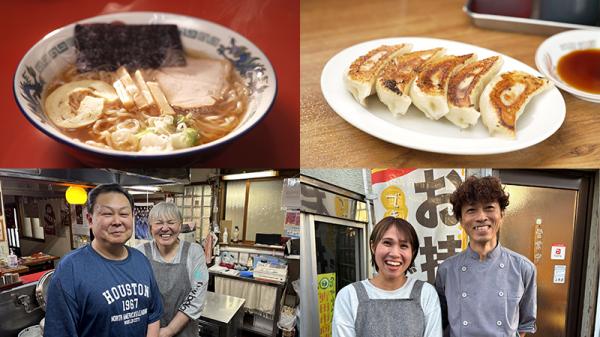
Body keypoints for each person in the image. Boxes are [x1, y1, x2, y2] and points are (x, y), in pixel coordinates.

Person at [44, 184, 163, 337]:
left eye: (124, 214)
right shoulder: (71, 268)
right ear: (90, 219)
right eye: (107, 214)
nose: (117, 221)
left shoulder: (141, 261)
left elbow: (153, 316)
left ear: (132, 217)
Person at [435, 176, 537, 337]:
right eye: (471, 210)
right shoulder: (446, 270)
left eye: (489, 208)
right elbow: (440, 321)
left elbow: (525, 324)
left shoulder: (523, 268)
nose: (481, 217)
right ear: (461, 220)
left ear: (501, 214)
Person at [332, 216, 443, 337]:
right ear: (373, 246)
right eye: (387, 243)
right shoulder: (349, 296)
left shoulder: (426, 293)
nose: (395, 253)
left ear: (413, 252)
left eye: (404, 246)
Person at [136, 202, 209, 337]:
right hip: (150, 332)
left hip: (185, 332)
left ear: (180, 226)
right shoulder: (140, 253)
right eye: (158, 223)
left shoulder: (194, 252)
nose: (165, 228)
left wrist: (169, 331)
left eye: (171, 222)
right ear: (150, 227)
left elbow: (198, 292)